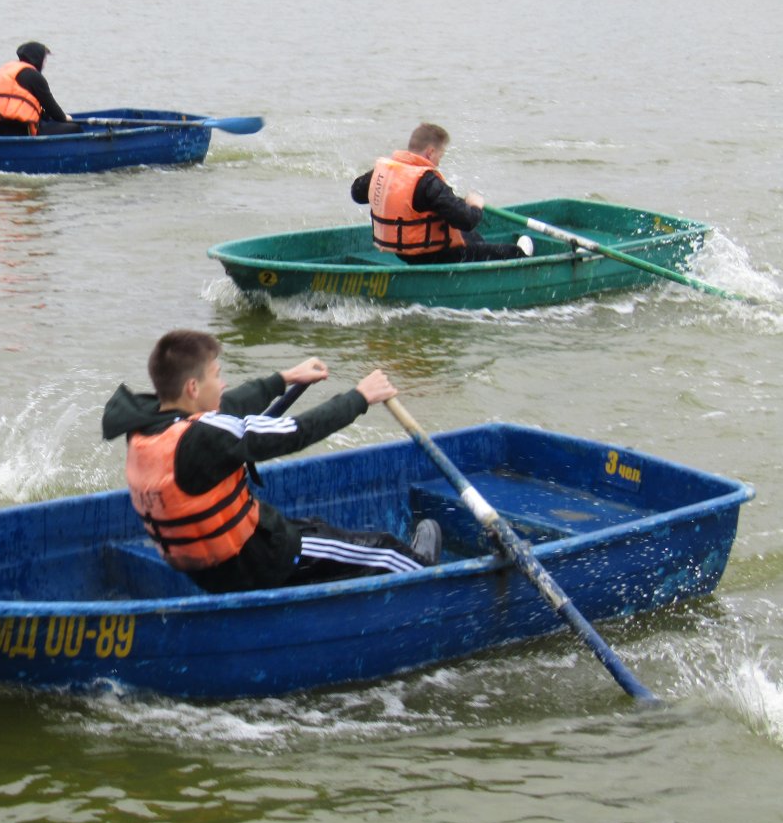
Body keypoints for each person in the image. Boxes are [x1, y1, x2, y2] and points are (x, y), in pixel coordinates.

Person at [101, 329, 441, 595]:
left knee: (315, 527)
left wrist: (285, 378)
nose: (223, 383)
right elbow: (296, 431)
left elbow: (227, 405)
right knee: (384, 550)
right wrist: (360, 397)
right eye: (216, 375)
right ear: (192, 387)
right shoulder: (206, 438)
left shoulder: (148, 425)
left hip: (212, 570)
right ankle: (430, 579)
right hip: (258, 561)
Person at [351, 122, 531, 264]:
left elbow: (357, 194)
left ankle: (481, 257)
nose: (438, 162)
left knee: (472, 238)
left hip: (401, 252)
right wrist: (476, 205)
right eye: (440, 155)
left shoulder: (383, 172)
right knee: (511, 252)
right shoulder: (428, 181)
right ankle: (522, 257)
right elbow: (467, 220)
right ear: (430, 152)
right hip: (433, 255)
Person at [0, 42, 82, 137]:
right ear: (38, 58)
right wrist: (65, 118)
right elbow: (52, 109)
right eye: (45, 59)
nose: (45, 63)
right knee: (74, 128)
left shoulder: (7, 71)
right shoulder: (34, 76)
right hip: (20, 131)